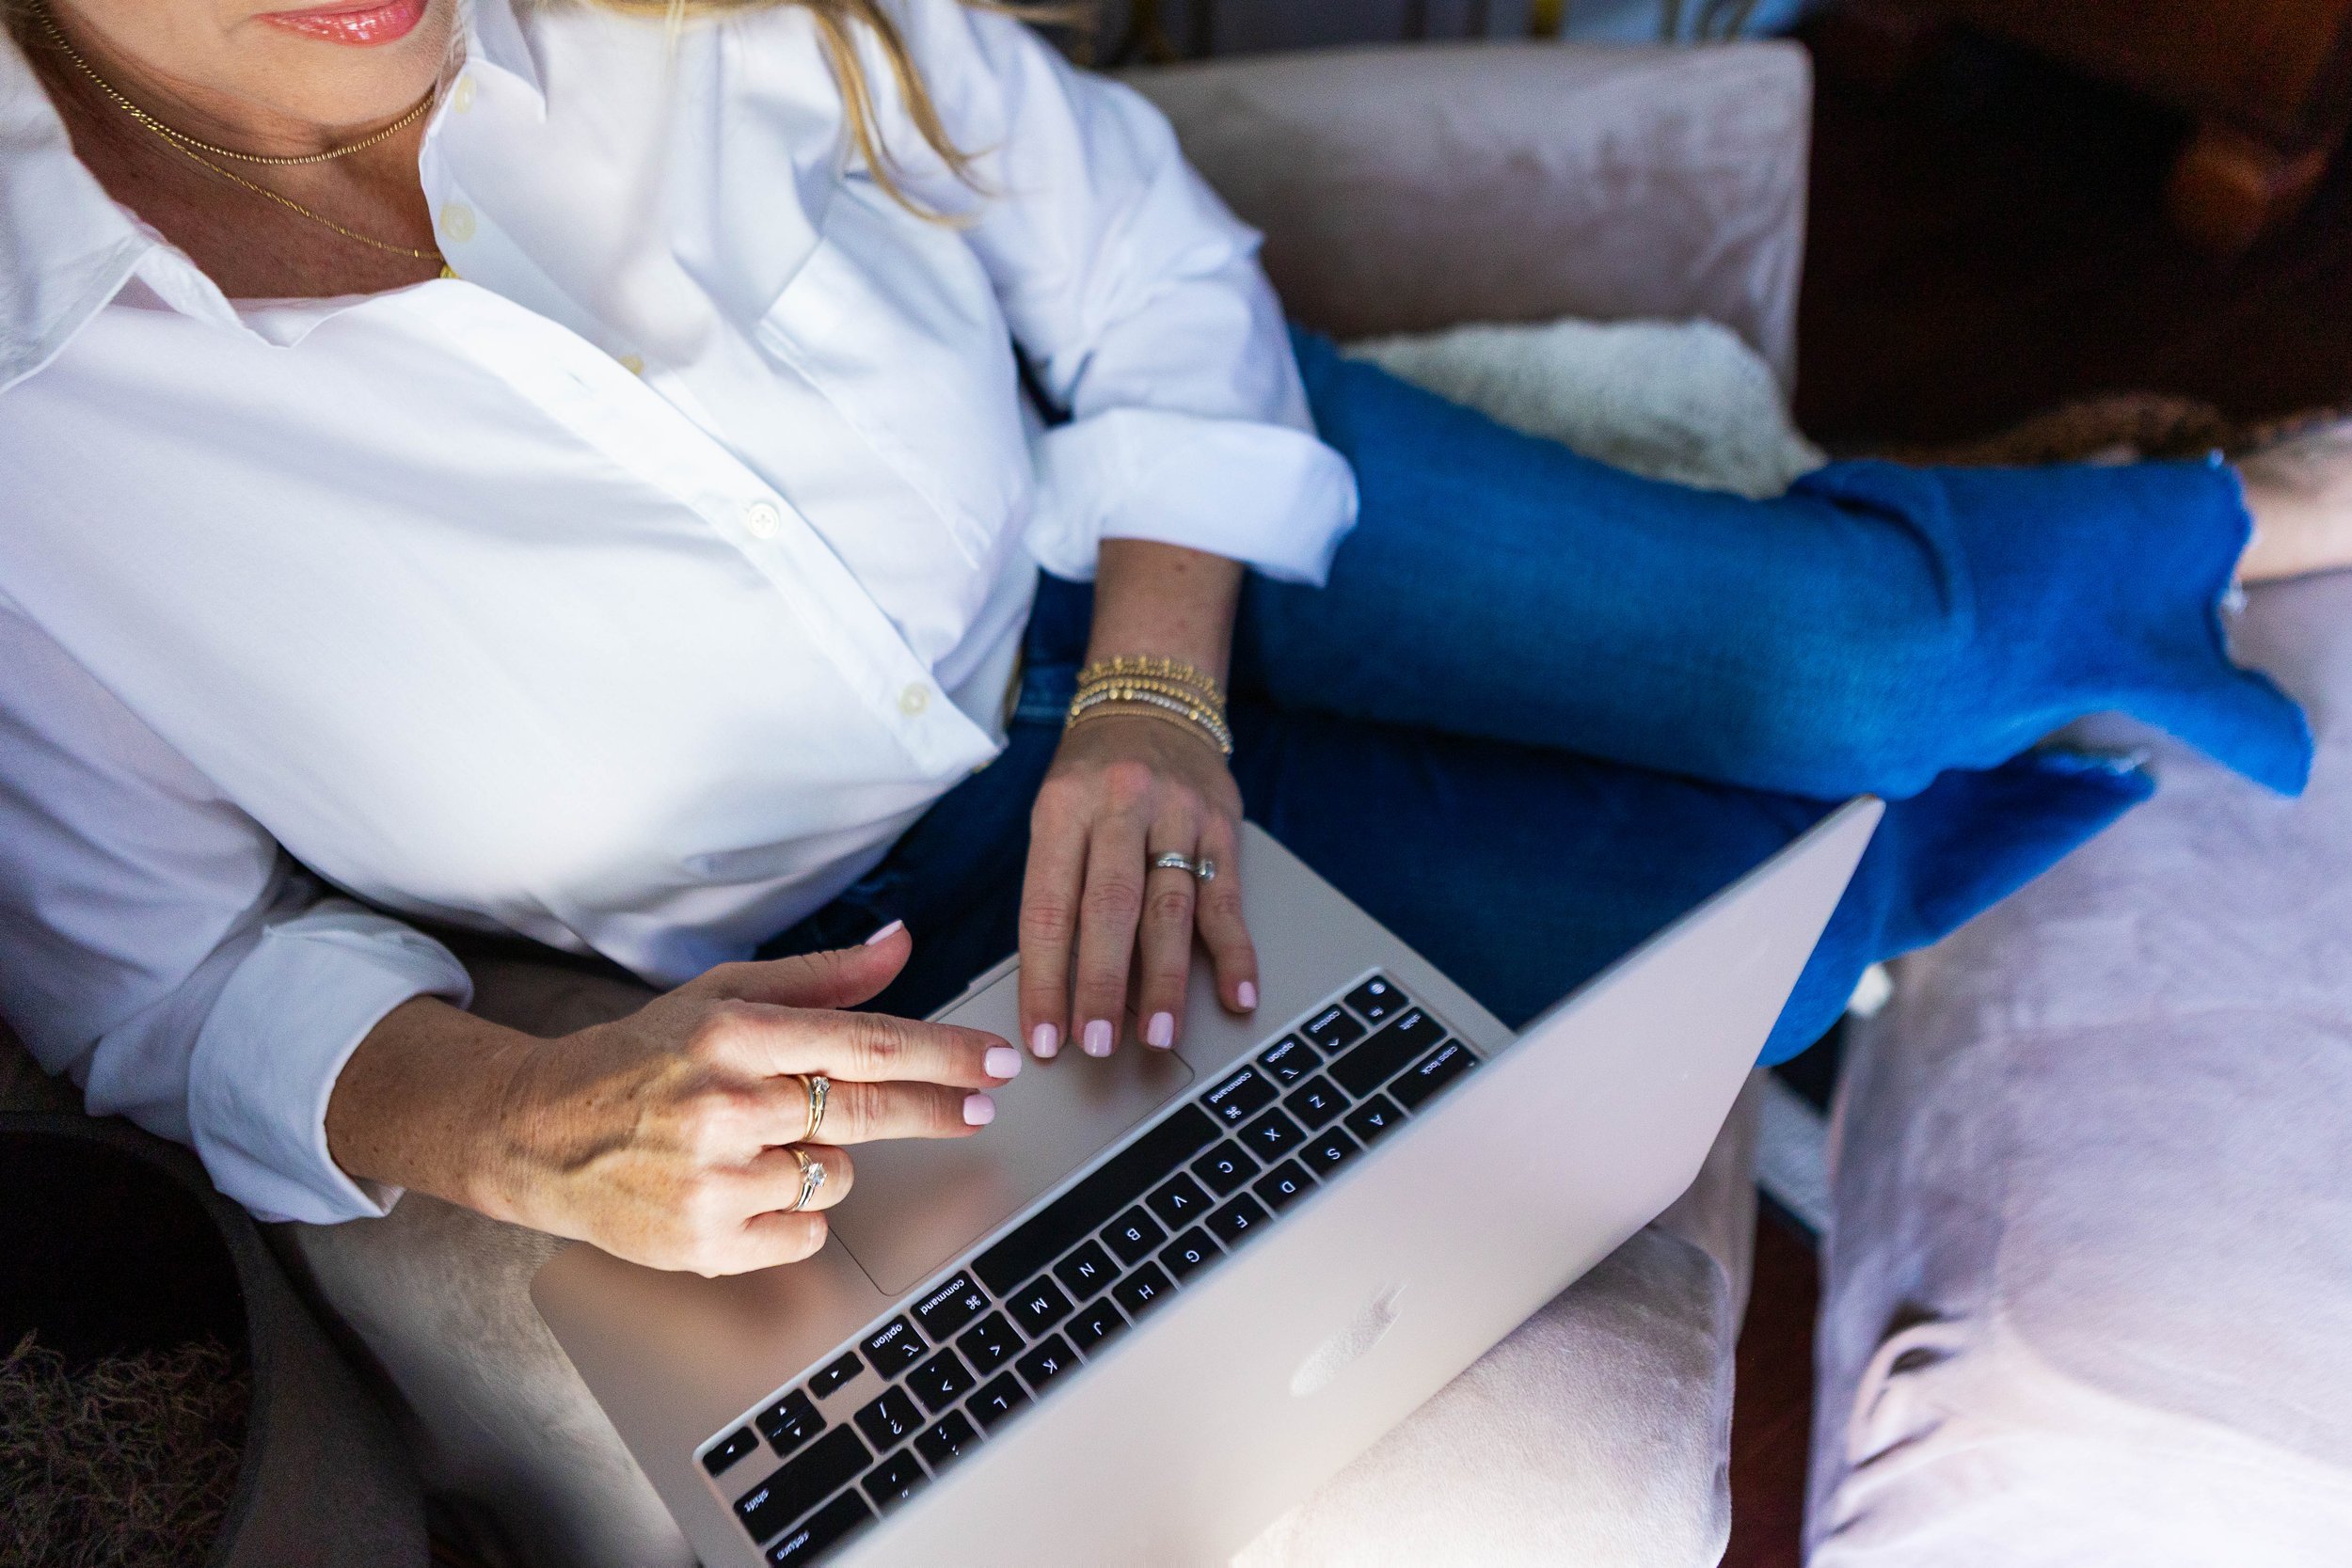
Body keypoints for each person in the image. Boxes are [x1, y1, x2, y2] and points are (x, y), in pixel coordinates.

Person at [0, 0, 2346, 1560]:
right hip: (910, 913)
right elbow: (154, 981)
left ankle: (2196, 505)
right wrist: (513, 1119)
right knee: (1759, 923)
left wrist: (1150, 694)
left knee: (1853, 670)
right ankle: (2006, 635)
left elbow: (1132, 258)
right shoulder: (40, 441)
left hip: (1150, 526)